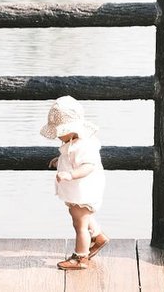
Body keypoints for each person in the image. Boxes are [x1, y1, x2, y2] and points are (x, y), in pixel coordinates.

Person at [41, 95, 109, 271]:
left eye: (59, 132)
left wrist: (70, 175)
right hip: (78, 192)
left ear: (71, 129)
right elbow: (71, 157)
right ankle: (98, 236)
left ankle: (80, 258)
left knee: (80, 225)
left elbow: (88, 166)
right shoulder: (74, 142)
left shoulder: (84, 146)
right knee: (80, 216)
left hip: (84, 190)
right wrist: (60, 161)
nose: (57, 136)